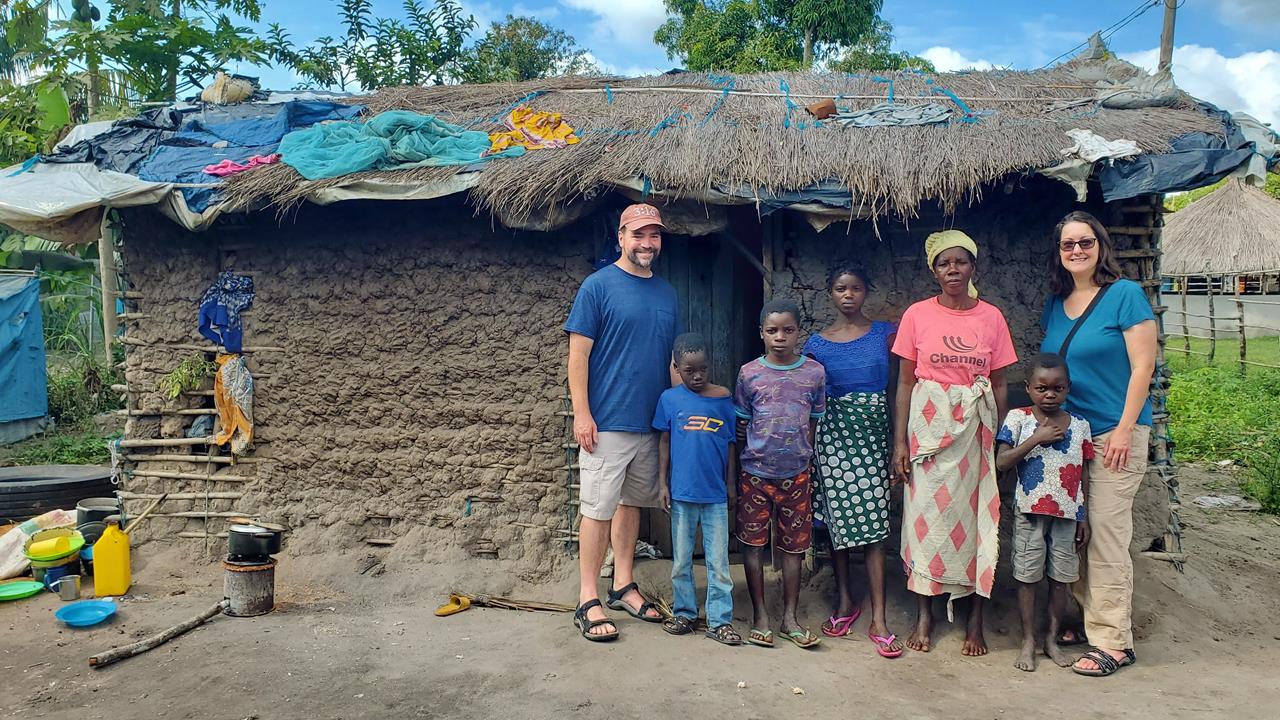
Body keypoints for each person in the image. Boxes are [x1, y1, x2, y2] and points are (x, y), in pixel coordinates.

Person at [1040, 210, 1157, 677]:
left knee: (1107, 536)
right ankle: (1092, 624)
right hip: (1074, 441)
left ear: (1100, 246)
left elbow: (1143, 367)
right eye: (1068, 244)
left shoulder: (1125, 296)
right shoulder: (1058, 301)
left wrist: (1126, 429)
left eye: (1085, 242)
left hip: (1115, 434)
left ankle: (1114, 642)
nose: (1077, 251)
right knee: (1077, 534)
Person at [891, 230, 1016, 656]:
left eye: (960, 262)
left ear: (973, 267)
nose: (952, 270)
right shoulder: (917, 316)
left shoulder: (991, 318)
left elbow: (999, 384)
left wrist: (998, 439)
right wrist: (900, 444)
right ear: (933, 270)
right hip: (927, 438)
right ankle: (925, 614)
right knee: (924, 525)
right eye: (944, 263)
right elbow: (905, 383)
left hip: (974, 439)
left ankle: (974, 620)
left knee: (978, 522)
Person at [564, 203, 681, 642]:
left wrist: (675, 413)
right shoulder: (598, 287)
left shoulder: (667, 293)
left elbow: (671, 360)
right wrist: (582, 413)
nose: (647, 244)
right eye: (639, 235)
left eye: (654, 236)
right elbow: (578, 355)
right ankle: (587, 597)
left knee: (631, 505)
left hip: (648, 423)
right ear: (621, 237)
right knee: (597, 509)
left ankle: (623, 584)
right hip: (607, 421)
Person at [802, 262, 903, 658]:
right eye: (841, 288)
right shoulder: (816, 344)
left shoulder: (885, 335)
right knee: (838, 524)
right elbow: (810, 398)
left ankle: (879, 617)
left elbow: (899, 388)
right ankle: (846, 602)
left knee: (876, 526)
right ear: (830, 292)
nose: (848, 295)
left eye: (856, 288)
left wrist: (899, 441)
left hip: (874, 436)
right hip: (833, 439)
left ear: (867, 292)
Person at [734, 298, 826, 649]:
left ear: (798, 332)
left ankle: (790, 617)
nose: (780, 337)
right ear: (761, 333)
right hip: (755, 474)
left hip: (797, 476)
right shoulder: (749, 373)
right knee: (753, 545)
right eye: (772, 330)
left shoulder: (813, 374)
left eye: (788, 330)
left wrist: (802, 457)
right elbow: (742, 425)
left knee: (794, 548)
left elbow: (813, 423)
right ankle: (760, 615)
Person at [996, 353, 1094, 672]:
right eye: (1041, 388)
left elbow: (1084, 473)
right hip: (1029, 513)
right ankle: (1027, 641)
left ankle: (1051, 639)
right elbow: (1001, 462)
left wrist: (1084, 516)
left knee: (1060, 580)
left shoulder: (1080, 426)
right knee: (1027, 577)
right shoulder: (1018, 418)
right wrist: (1036, 438)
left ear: (1068, 389)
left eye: (1057, 388)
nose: (1049, 394)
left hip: (1067, 516)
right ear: (1028, 388)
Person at [652, 333, 741, 646]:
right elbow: (664, 442)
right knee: (681, 561)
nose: (698, 375)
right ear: (676, 367)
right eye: (689, 370)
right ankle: (685, 613)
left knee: (719, 562)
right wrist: (662, 483)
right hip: (682, 494)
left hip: (715, 495)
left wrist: (731, 484)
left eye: (703, 368)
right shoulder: (669, 399)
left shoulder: (722, 398)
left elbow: (731, 444)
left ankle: (719, 621)